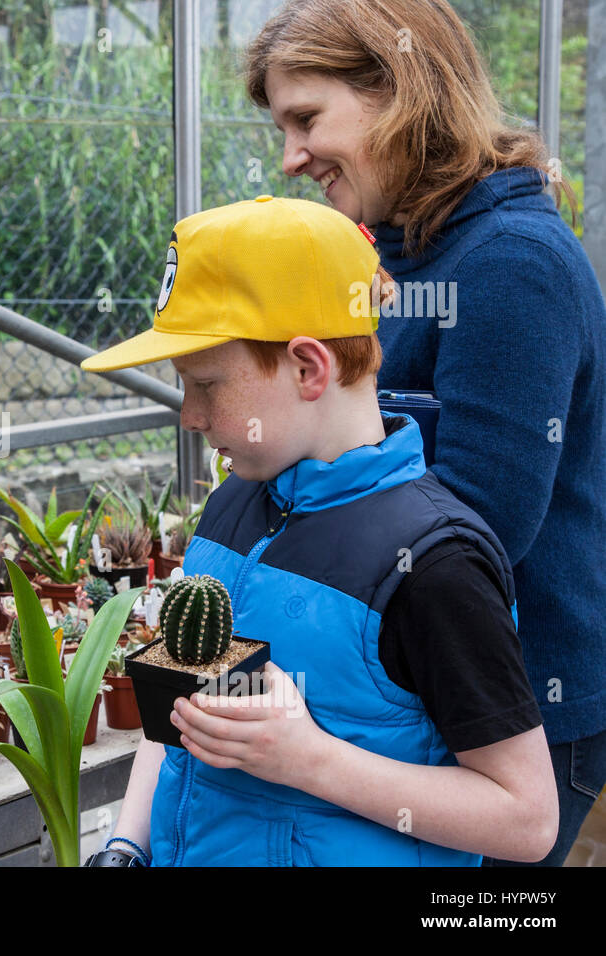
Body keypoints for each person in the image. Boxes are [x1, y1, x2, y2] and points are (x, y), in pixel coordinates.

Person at [80, 195, 557, 866]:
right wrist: (128, 843)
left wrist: (312, 761)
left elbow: (527, 818)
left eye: (207, 385)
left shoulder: (433, 562)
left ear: (309, 368)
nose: (188, 415)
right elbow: (178, 710)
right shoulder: (231, 509)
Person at [245, 0, 606, 866]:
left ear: (399, 91)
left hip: (516, 710)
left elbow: (479, 523)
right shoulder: (401, 252)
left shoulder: (509, 266)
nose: (291, 156)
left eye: (307, 118)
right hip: (419, 680)